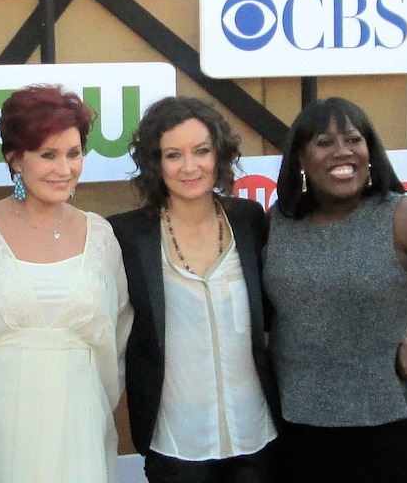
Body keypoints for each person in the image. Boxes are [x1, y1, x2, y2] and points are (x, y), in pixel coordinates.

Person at [262, 97, 407, 483]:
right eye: (324, 142)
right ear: (300, 158)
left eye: (354, 140)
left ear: (370, 152)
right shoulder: (279, 221)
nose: (343, 152)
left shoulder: (403, 218)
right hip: (291, 427)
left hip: (383, 430)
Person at [0, 84, 133, 483]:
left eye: (74, 154)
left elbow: (116, 337)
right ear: (15, 159)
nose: (64, 168)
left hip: (80, 422)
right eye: (48, 155)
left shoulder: (101, 236)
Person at [108, 96, 280, 483]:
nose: (189, 167)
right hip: (175, 442)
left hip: (257, 434)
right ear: (156, 163)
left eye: (201, 151)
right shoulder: (126, 235)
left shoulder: (249, 220)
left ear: (219, 155)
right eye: (173, 155)